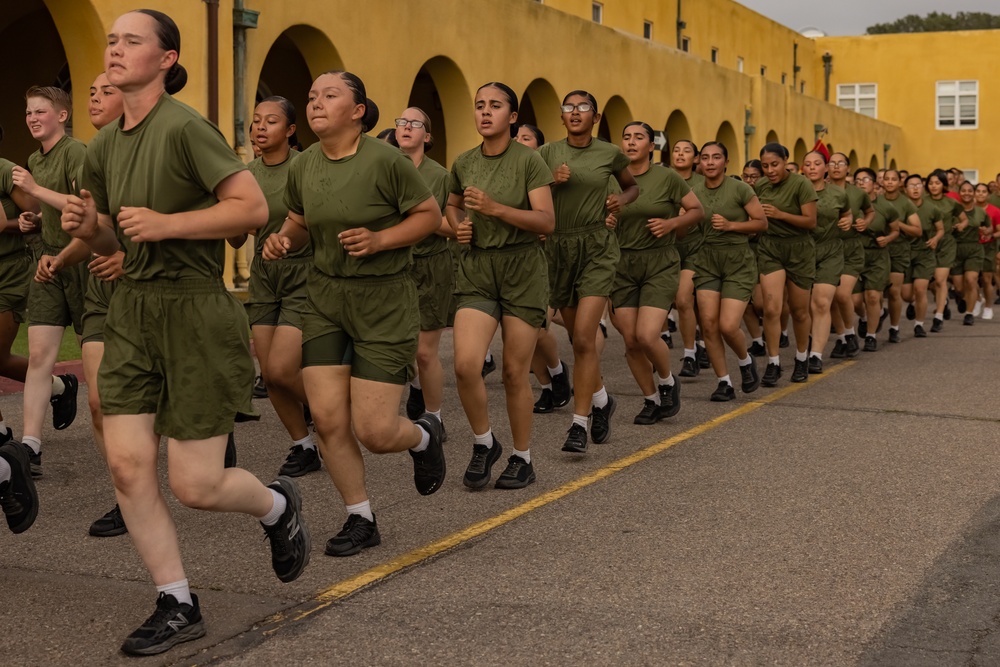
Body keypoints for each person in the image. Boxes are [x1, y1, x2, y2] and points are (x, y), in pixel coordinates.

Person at [62, 10, 310, 655]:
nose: (115, 49)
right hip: (133, 311)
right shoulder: (106, 145)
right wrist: (90, 227)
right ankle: (176, 600)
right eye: (112, 40)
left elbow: (252, 208)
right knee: (125, 462)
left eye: (131, 41)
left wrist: (167, 224)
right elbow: (116, 237)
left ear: (166, 59)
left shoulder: (186, 128)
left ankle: (278, 508)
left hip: (196, 313)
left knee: (196, 485)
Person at [266, 70, 444, 557]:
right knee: (326, 418)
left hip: (384, 299)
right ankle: (360, 516)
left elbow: (429, 216)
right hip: (324, 298)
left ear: (359, 110)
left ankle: (422, 437)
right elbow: (300, 221)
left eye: (330, 95)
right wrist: (284, 239)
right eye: (311, 97)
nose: (316, 103)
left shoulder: (387, 161)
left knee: (376, 431)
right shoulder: (303, 166)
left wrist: (380, 239)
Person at [447, 82, 554, 487]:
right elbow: (452, 205)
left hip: (522, 270)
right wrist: (459, 228)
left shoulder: (529, 161)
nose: (484, 112)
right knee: (464, 365)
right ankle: (483, 443)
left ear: (512, 117)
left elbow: (546, 221)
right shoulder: (464, 162)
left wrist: (496, 209)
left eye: (495, 106)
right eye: (479, 105)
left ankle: (522, 458)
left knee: (513, 371)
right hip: (477, 269)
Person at [538, 90, 637, 453]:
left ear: (595, 118)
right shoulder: (546, 153)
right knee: (577, 338)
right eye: (569, 107)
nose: (575, 112)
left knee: (582, 338)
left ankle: (578, 425)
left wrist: (620, 201)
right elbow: (527, 191)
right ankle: (602, 401)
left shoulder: (609, 153)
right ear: (562, 116)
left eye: (583, 108)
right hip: (558, 249)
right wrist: (551, 179)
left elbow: (631, 186)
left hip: (596, 246)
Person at [238, 97, 320, 477]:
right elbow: (237, 237)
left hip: (303, 273)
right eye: (256, 121)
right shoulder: (246, 174)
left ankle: (333, 414)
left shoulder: (304, 166)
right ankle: (304, 445)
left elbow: (317, 220)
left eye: (270, 121)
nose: (259, 127)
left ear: (289, 130)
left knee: (284, 369)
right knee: (270, 375)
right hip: (264, 276)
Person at [12, 86, 83, 477]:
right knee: (39, 357)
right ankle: (30, 447)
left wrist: (35, 191)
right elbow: (51, 210)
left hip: (85, 264)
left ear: (62, 115)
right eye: (28, 112)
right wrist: (33, 219)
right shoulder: (32, 160)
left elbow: (82, 210)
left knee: (110, 363)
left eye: (41, 111)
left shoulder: (77, 154)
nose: (33, 118)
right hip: (47, 263)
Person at [609, 122, 701, 418]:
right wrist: (606, 223)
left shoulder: (668, 177)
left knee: (648, 335)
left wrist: (671, 224)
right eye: (627, 137)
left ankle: (666, 380)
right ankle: (650, 400)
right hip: (622, 263)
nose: (631, 142)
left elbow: (698, 211)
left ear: (651, 146)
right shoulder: (611, 179)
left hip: (659, 262)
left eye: (639, 137)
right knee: (631, 340)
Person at [396, 107, 456, 442]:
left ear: (427, 136)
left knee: (423, 351)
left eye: (414, 123)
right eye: (401, 122)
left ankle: (433, 418)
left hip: (431, 265)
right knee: (398, 345)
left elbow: (452, 227)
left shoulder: (440, 176)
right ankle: (416, 386)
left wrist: (423, 219)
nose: (406, 127)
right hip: (394, 266)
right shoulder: (388, 168)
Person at [690, 141, 765, 400]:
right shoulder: (693, 191)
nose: (710, 162)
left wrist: (731, 225)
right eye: (705, 157)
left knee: (728, 325)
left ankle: (745, 362)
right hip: (706, 259)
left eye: (716, 157)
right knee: (709, 325)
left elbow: (761, 223)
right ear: (699, 162)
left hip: (738, 260)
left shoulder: (740, 189)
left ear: (726, 162)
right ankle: (724, 382)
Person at [513, 124, 573, 415]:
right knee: (524, 331)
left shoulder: (550, 172)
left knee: (536, 325)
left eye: (526, 138)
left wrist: (556, 183)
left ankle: (558, 371)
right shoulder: (507, 171)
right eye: (517, 137)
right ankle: (549, 386)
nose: (518, 142)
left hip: (549, 257)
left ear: (539, 146)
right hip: (514, 260)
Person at [754, 142, 817, 385]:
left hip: (799, 249)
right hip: (770, 248)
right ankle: (773, 362)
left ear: (786, 161)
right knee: (771, 309)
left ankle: (802, 358)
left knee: (800, 311)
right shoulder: (760, 186)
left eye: (775, 164)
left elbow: (811, 222)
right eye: (765, 166)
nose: (770, 170)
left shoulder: (801, 184)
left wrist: (780, 214)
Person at [801, 151, 851, 374]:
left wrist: (848, 221)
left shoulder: (838, 194)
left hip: (830, 251)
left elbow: (847, 213)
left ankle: (816, 355)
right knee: (802, 306)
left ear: (826, 168)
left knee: (821, 302)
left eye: (817, 163)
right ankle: (807, 345)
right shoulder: (794, 191)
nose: (812, 167)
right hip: (801, 251)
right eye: (808, 164)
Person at [826, 153, 874, 357]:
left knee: (842, 294)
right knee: (828, 298)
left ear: (848, 168)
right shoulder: (818, 190)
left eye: (841, 163)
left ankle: (850, 333)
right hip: (827, 248)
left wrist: (865, 222)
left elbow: (870, 211)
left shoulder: (858, 193)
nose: (836, 167)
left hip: (851, 248)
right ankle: (842, 337)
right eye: (832, 163)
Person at [668, 139, 708, 377]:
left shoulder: (703, 183)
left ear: (695, 159)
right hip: (668, 249)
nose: (680, 154)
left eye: (686, 151)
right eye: (676, 149)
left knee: (685, 300)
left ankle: (691, 354)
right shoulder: (664, 179)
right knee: (685, 303)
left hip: (697, 249)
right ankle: (701, 344)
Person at [853, 168, 901, 350]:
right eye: (858, 180)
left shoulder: (886, 207)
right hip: (855, 254)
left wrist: (887, 239)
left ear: (875, 184)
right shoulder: (849, 205)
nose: (861, 183)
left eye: (865, 179)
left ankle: (871, 336)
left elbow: (895, 230)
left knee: (873, 296)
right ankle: (865, 318)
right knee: (855, 301)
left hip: (877, 255)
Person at [880, 170, 922, 342]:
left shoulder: (905, 203)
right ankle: (879, 313)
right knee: (874, 291)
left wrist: (898, 225)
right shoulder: (875, 200)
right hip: (877, 248)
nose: (890, 182)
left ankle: (894, 328)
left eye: (893, 179)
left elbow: (917, 230)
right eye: (886, 179)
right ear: (881, 182)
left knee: (894, 291)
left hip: (898, 250)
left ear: (899, 183)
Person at [902, 174, 943, 337]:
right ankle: (913, 303)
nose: (915, 188)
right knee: (905, 294)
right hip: (905, 253)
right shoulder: (900, 207)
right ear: (905, 189)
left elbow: (940, 229)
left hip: (925, 253)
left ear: (923, 187)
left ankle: (919, 324)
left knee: (920, 290)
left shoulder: (932, 208)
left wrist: (935, 238)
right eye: (911, 185)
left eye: (918, 185)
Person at [925, 169, 967, 330]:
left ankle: (938, 316)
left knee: (941, 280)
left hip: (946, 243)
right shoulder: (921, 201)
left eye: (937, 183)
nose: (934, 186)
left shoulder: (951, 203)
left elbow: (964, 220)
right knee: (931, 282)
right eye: (931, 183)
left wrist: (960, 225)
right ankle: (944, 302)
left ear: (944, 185)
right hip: (926, 242)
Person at [953, 181, 985, 325]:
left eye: (970, 190)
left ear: (973, 193)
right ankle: (962, 298)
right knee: (959, 288)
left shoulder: (981, 212)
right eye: (963, 191)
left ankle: (969, 314)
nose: (967, 193)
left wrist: (987, 232)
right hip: (956, 249)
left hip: (974, 249)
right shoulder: (953, 211)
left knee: (971, 280)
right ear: (959, 193)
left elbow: (990, 228)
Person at [975, 182, 1000, 319]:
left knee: (986, 279)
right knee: (970, 279)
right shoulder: (968, 209)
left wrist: (990, 234)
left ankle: (988, 307)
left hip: (988, 247)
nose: (980, 194)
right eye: (978, 191)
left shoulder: (995, 211)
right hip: (972, 246)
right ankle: (978, 299)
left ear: (988, 194)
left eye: (983, 191)